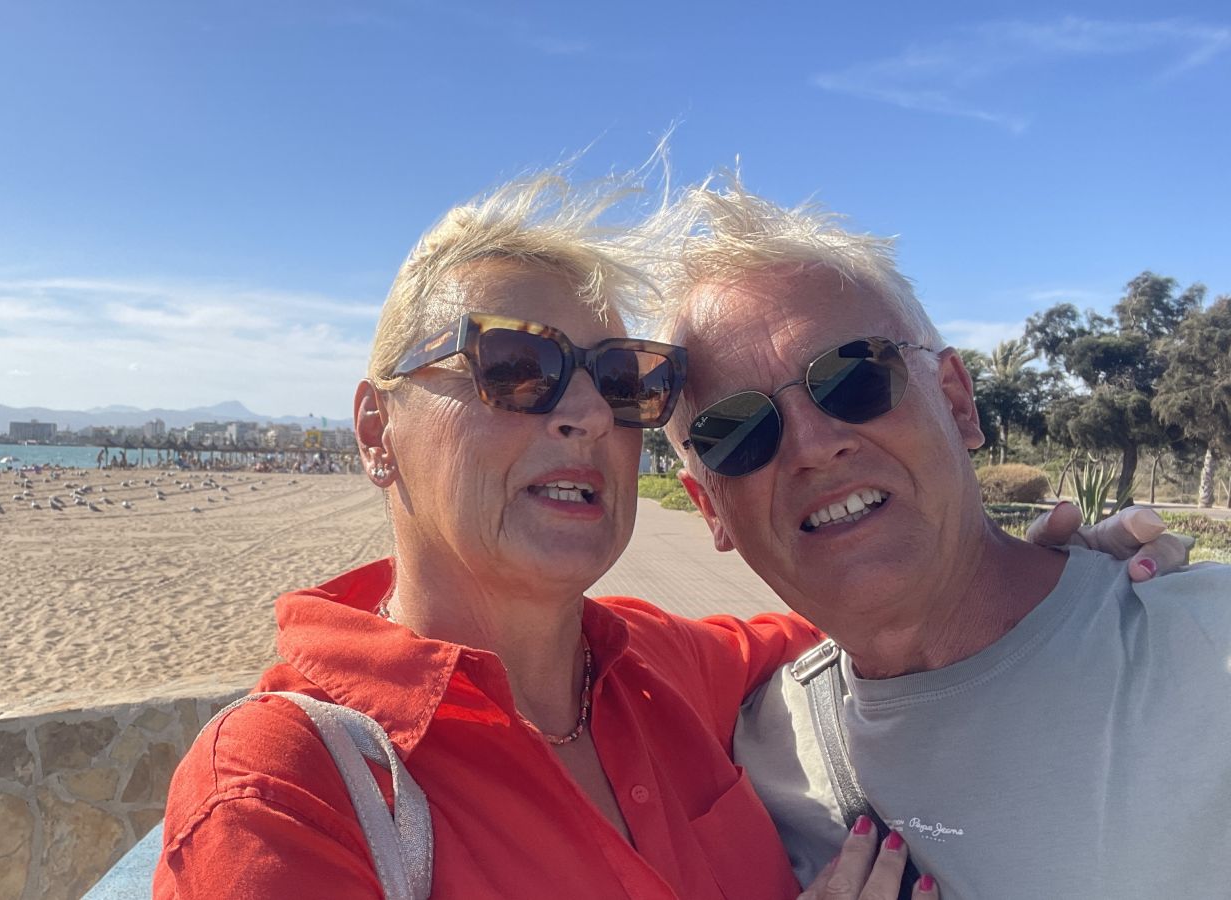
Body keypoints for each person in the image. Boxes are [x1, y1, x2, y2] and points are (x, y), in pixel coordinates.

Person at [156, 173, 943, 899]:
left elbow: (826, 619)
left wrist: (1004, 570)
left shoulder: (651, 662)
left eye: (622, 382)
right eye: (516, 366)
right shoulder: (281, 788)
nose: (591, 414)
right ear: (377, 430)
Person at [648, 178, 1229, 897]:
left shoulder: (1207, 647)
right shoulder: (761, 757)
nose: (812, 446)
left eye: (853, 377)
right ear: (711, 511)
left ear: (956, 400)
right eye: (736, 433)